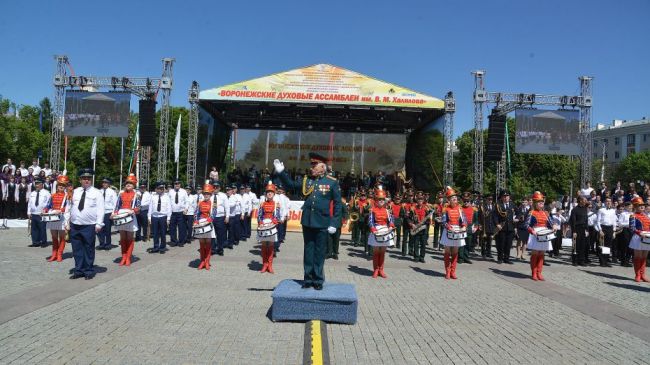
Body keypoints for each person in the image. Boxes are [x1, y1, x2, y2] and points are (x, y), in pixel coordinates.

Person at [274, 153, 342, 290]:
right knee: (308, 250)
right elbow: (290, 185)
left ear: (323, 167)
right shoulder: (307, 180)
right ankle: (308, 278)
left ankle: (318, 279)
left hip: (323, 222)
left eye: (314, 165)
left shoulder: (331, 182)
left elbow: (338, 204)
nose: (311, 168)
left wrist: (334, 223)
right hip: (308, 221)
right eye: (311, 165)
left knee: (320, 251)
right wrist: (281, 172)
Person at [69, 168, 104, 280]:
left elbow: (101, 209)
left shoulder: (97, 193)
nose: (86, 180)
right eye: (84, 178)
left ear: (91, 180)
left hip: (89, 225)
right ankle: (79, 270)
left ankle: (88, 270)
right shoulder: (75, 191)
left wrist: (99, 224)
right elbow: (69, 207)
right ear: (80, 180)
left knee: (88, 248)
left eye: (89, 178)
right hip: (75, 224)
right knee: (77, 248)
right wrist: (67, 221)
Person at [526, 192, 556, 281]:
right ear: (535, 203)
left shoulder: (545, 213)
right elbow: (526, 225)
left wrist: (554, 226)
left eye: (542, 202)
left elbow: (551, 222)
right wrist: (532, 231)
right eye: (539, 202)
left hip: (545, 234)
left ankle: (539, 272)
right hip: (535, 234)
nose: (541, 204)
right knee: (535, 253)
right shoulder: (532, 213)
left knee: (542, 253)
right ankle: (534, 273)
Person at [112, 174, 140, 266]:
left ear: (134, 185)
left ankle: (128, 257)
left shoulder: (136, 195)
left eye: (131, 183)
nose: (128, 185)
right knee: (122, 238)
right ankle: (123, 257)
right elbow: (117, 206)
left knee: (130, 238)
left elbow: (139, 207)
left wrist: (133, 211)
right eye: (127, 183)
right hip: (121, 215)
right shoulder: (121, 194)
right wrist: (114, 213)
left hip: (130, 216)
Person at [438, 187, 466, 279]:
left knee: (455, 252)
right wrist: (449, 227)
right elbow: (443, 221)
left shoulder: (460, 208)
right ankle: (447, 271)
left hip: (458, 231)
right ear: (449, 200)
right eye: (453, 198)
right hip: (448, 231)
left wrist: (464, 226)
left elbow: (463, 220)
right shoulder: (446, 209)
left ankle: (453, 272)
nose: (455, 199)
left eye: (456, 198)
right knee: (447, 251)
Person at [368, 187, 395, 278]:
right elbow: (370, 221)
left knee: (382, 251)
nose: (381, 201)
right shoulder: (372, 210)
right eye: (379, 199)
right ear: (376, 200)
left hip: (385, 230)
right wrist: (373, 229)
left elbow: (391, 220)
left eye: (383, 199)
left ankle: (381, 270)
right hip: (376, 231)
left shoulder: (387, 210)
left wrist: (391, 226)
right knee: (376, 251)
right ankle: (375, 270)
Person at [44, 175, 70, 262]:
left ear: (65, 187)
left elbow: (68, 207)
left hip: (62, 218)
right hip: (53, 217)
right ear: (57, 186)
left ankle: (59, 254)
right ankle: (54, 254)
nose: (61, 187)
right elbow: (48, 205)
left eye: (63, 185)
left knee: (62, 237)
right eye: (59, 185)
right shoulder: (52, 195)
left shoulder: (67, 196)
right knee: (54, 237)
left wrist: (61, 210)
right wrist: (45, 210)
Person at [257, 182, 282, 273]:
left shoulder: (276, 204)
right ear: (266, 194)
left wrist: (274, 222)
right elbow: (259, 215)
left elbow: (278, 216)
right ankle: (264, 264)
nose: (269, 193)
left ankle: (270, 265)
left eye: (271, 192)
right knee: (264, 245)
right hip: (264, 226)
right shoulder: (262, 204)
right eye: (268, 192)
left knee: (271, 245)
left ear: (274, 193)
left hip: (272, 226)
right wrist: (260, 222)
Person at [193, 182, 216, 270]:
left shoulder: (212, 203)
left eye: (208, 194)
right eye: (205, 193)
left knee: (208, 243)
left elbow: (214, 213)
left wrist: (209, 220)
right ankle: (202, 261)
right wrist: (196, 221)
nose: (206, 195)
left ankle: (207, 261)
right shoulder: (200, 203)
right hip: (200, 223)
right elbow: (196, 213)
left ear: (210, 194)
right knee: (202, 243)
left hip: (208, 224)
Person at [492, 189, 517, 264]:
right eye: (504, 196)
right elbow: (495, 216)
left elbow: (518, 212)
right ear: (501, 197)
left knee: (508, 244)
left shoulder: (512, 204)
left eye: (507, 196)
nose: (506, 198)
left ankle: (507, 258)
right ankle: (500, 258)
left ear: (509, 197)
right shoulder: (498, 205)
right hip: (502, 227)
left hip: (511, 227)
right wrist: (497, 224)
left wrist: (517, 218)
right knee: (501, 244)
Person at [629, 197, 650, 282]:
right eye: (639, 205)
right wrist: (639, 233)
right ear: (635, 207)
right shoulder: (633, 215)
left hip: (647, 237)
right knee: (638, 256)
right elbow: (632, 228)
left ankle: (643, 275)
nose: (642, 207)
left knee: (644, 257)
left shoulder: (647, 216)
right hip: (638, 237)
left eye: (643, 205)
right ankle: (637, 275)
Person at [147, 182, 171, 253]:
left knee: (163, 233)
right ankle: (156, 247)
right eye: (159, 189)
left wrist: (168, 218)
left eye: (162, 189)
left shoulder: (166, 197)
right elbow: (150, 207)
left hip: (163, 216)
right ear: (156, 189)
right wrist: (149, 217)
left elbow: (169, 208)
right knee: (155, 233)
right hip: (154, 216)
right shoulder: (153, 196)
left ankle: (162, 247)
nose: (161, 190)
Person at [27, 178, 50, 247]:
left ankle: (43, 242)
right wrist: (28, 212)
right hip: (33, 213)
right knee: (34, 229)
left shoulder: (46, 193)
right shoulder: (32, 193)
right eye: (36, 184)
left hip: (42, 214)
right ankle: (35, 242)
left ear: (42, 184)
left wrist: (46, 211)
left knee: (42, 229)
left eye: (38, 184)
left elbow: (49, 203)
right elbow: (29, 203)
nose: (36, 185)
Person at [210, 181, 229, 256]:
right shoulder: (209, 195)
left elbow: (227, 207)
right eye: (214, 187)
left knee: (220, 234)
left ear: (219, 188)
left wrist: (227, 216)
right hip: (211, 217)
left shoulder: (223, 195)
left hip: (220, 217)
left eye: (217, 187)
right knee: (212, 234)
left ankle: (220, 249)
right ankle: (212, 249)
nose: (215, 188)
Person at [596, 197, 617, 266]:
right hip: (603, 227)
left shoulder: (613, 211)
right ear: (605, 202)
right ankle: (601, 261)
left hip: (610, 228)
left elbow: (614, 221)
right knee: (602, 244)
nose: (608, 202)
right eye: (607, 201)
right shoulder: (601, 210)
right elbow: (598, 221)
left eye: (610, 201)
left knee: (608, 246)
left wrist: (614, 231)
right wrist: (600, 230)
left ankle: (605, 261)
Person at [569, 196, 590, 266]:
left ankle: (581, 260)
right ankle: (574, 260)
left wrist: (587, 229)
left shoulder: (585, 209)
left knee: (582, 245)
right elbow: (573, 221)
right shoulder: (574, 210)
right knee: (576, 245)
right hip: (576, 229)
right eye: (585, 200)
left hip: (583, 229)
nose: (586, 201)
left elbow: (586, 220)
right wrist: (574, 231)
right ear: (580, 201)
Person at [97, 178, 117, 250]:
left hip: (108, 212)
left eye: (106, 183)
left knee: (107, 230)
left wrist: (113, 213)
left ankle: (108, 244)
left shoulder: (112, 192)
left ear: (109, 184)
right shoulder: (99, 191)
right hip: (100, 213)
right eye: (103, 183)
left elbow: (115, 204)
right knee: (99, 229)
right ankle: (102, 244)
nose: (104, 184)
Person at [168, 179, 188, 247]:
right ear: (174, 184)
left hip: (181, 212)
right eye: (176, 184)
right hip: (173, 213)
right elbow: (168, 202)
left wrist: (186, 209)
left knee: (181, 228)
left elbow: (187, 201)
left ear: (180, 184)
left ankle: (181, 242)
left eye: (178, 184)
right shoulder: (170, 191)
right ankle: (173, 241)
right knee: (172, 228)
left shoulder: (183, 191)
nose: (177, 185)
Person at [459, 192, 478, 264]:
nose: (466, 202)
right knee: (461, 243)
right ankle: (460, 258)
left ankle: (466, 257)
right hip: (461, 227)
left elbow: (476, 220)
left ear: (470, 201)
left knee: (468, 243)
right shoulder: (459, 208)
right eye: (464, 201)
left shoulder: (474, 209)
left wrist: (475, 227)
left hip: (470, 228)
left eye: (467, 201)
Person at [226, 184, 243, 248]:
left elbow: (232, 205)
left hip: (232, 216)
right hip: (225, 216)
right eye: (227, 190)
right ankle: (226, 242)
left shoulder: (235, 197)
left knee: (232, 230)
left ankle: (231, 243)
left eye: (229, 190)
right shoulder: (225, 197)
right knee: (225, 230)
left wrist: (242, 213)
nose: (228, 191)